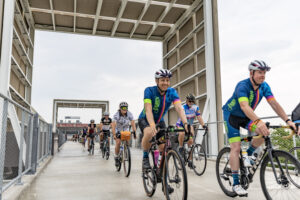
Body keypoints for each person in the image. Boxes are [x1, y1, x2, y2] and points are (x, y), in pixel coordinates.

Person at [222, 60, 297, 196]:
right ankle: (236, 183)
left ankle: (249, 155)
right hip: (231, 116)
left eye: (264, 73)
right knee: (236, 147)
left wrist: (287, 120)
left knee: (264, 132)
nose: (263, 75)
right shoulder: (242, 86)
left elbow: (274, 104)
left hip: (246, 117)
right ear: (251, 73)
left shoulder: (264, 86)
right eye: (260, 72)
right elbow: (244, 106)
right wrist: (258, 121)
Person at [138, 69, 190, 170]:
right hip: (145, 118)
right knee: (149, 132)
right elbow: (148, 109)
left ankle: (160, 172)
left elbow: (179, 108)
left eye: (167, 80)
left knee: (163, 147)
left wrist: (186, 123)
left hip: (159, 121)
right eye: (162, 80)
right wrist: (152, 125)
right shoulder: (149, 91)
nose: (165, 83)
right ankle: (145, 157)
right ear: (157, 81)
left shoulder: (172, 92)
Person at [176, 93, 207, 168]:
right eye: (189, 101)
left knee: (191, 142)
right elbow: (182, 117)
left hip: (190, 125)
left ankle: (190, 161)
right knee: (182, 133)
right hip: (181, 124)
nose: (191, 103)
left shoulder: (196, 108)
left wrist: (203, 125)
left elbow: (199, 117)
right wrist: (185, 126)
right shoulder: (183, 107)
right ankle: (180, 147)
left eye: (192, 101)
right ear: (186, 101)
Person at [111, 102, 137, 166]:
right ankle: (116, 157)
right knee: (118, 143)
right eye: (123, 108)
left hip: (126, 129)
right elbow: (113, 124)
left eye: (126, 108)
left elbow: (133, 122)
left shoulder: (129, 114)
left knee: (127, 141)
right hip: (118, 130)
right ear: (120, 108)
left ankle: (126, 150)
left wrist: (134, 132)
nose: (124, 109)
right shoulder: (116, 115)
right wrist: (114, 134)